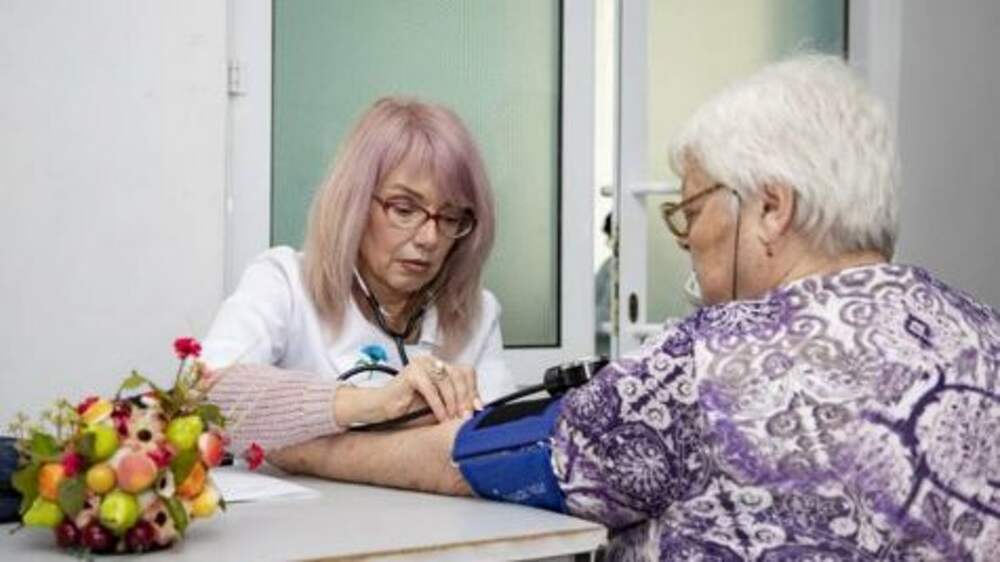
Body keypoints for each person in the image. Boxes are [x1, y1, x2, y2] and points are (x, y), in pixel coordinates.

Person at [263, 55, 1000, 560]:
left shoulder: (711, 361)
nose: (687, 241)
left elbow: (486, 459)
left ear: (771, 208)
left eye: (692, 211)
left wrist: (303, 448)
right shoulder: (984, 336)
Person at [203, 97, 515, 451]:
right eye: (404, 209)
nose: (429, 238)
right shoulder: (284, 282)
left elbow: (500, 447)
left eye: (450, 217)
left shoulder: (478, 315)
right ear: (354, 203)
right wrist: (375, 403)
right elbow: (205, 397)